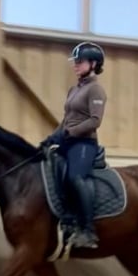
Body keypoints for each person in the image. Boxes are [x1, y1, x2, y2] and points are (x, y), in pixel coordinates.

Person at [40, 41, 108, 249]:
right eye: (75, 61)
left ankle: (88, 230)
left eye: (80, 61)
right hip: (67, 141)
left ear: (94, 64)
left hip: (84, 144)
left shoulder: (96, 90)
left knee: (75, 177)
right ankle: (66, 218)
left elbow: (95, 121)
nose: (75, 65)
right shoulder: (74, 89)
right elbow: (66, 119)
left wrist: (71, 132)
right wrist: (52, 137)